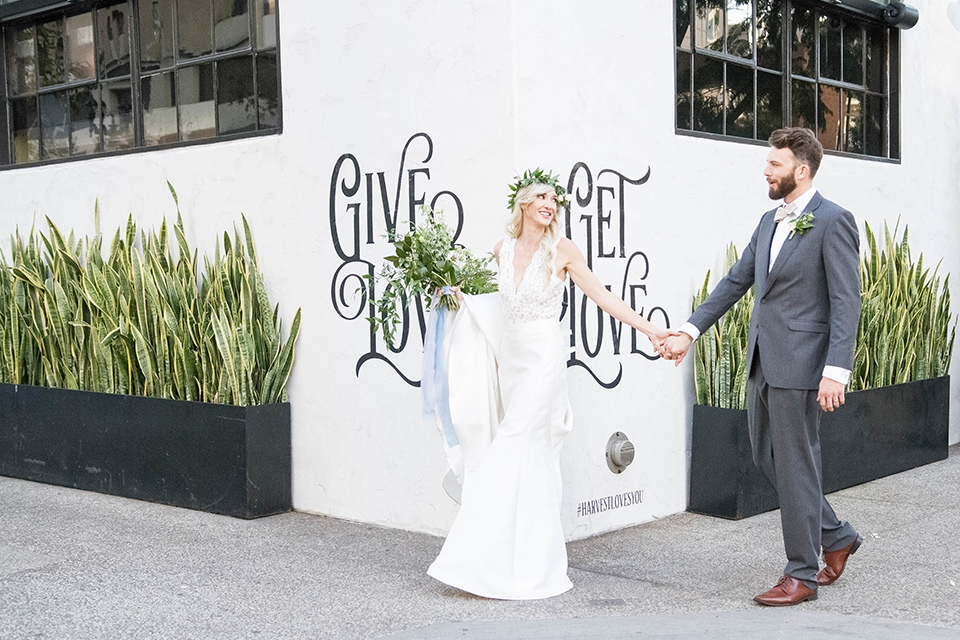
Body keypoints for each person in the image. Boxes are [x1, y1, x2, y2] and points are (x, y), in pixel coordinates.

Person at [426, 169, 672, 600]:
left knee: (512, 447)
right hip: (512, 362)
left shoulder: (563, 250)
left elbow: (603, 297)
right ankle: (517, 562)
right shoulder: (501, 249)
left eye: (555, 199)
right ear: (522, 203)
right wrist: (458, 300)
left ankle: (476, 557)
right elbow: (496, 305)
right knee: (530, 458)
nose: (550, 203)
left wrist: (650, 329)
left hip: (543, 360)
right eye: (542, 195)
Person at [659, 128, 863, 606]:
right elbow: (737, 280)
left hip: (804, 364)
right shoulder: (770, 220)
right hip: (762, 360)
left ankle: (801, 575)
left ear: (801, 169)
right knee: (766, 457)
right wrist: (689, 331)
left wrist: (837, 368)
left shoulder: (833, 221)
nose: (766, 171)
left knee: (794, 463)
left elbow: (845, 300)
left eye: (775, 164)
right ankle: (836, 535)